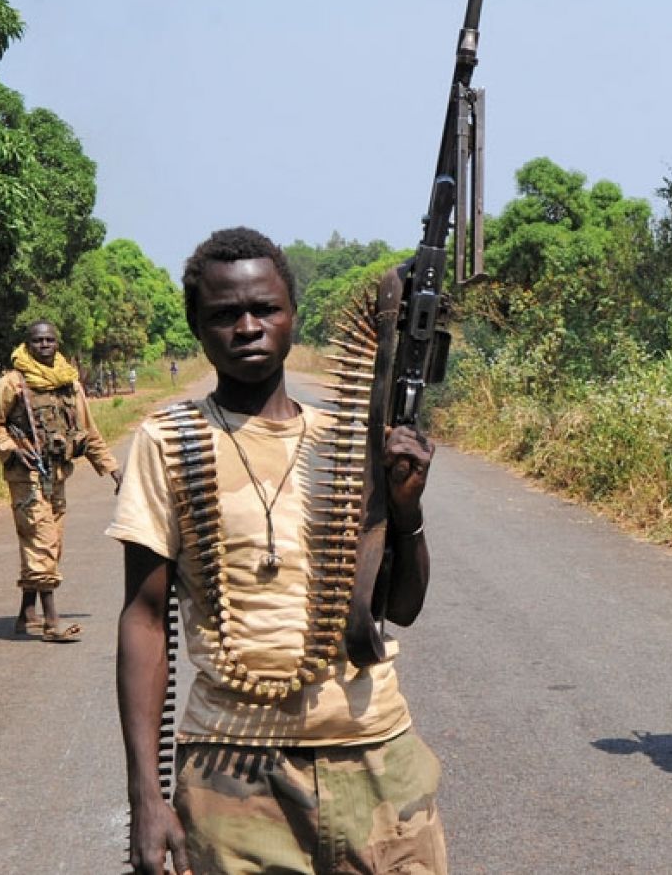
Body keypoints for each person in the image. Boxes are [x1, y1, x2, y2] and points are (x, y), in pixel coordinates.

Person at [111, 227, 446, 875]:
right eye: (223, 314)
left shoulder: (349, 442)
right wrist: (145, 797)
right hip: (231, 773)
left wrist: (405, 508)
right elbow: (146, 619)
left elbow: (400, 608)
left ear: (292, 312)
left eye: (264, 308)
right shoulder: (166, 441)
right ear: (196, 327)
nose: (246, 326)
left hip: (374, 754)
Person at [0, 321, 122, 641]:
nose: (44, 345)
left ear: (57, 344)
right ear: (27, 344)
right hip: (26, 476)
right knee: (41, 540)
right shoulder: (12, 383)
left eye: (49, 340)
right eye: (37, 340)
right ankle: (51, 622)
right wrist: (11, 450)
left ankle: (26, 614)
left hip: (57, 475)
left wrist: (114, 471)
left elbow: (89, 431)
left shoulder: (69, 383)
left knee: (50, 543)